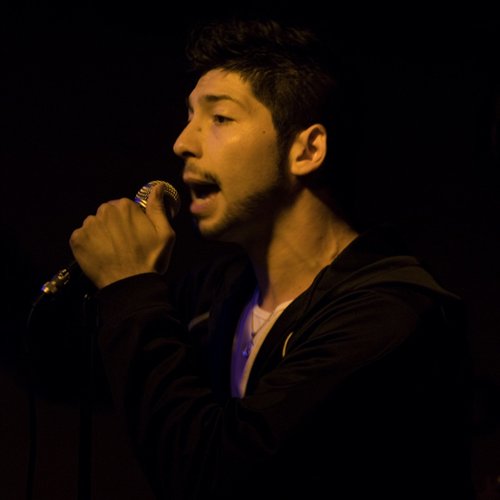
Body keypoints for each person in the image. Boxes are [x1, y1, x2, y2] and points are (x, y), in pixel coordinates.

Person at [68, 16, 474, 500]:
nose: (183, 142)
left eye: (220, 118)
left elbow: (212, 475)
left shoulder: (388, 316)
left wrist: (130, 287)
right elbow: (77, 374)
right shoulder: (215, 294)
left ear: (307, 149)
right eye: (189, 116)